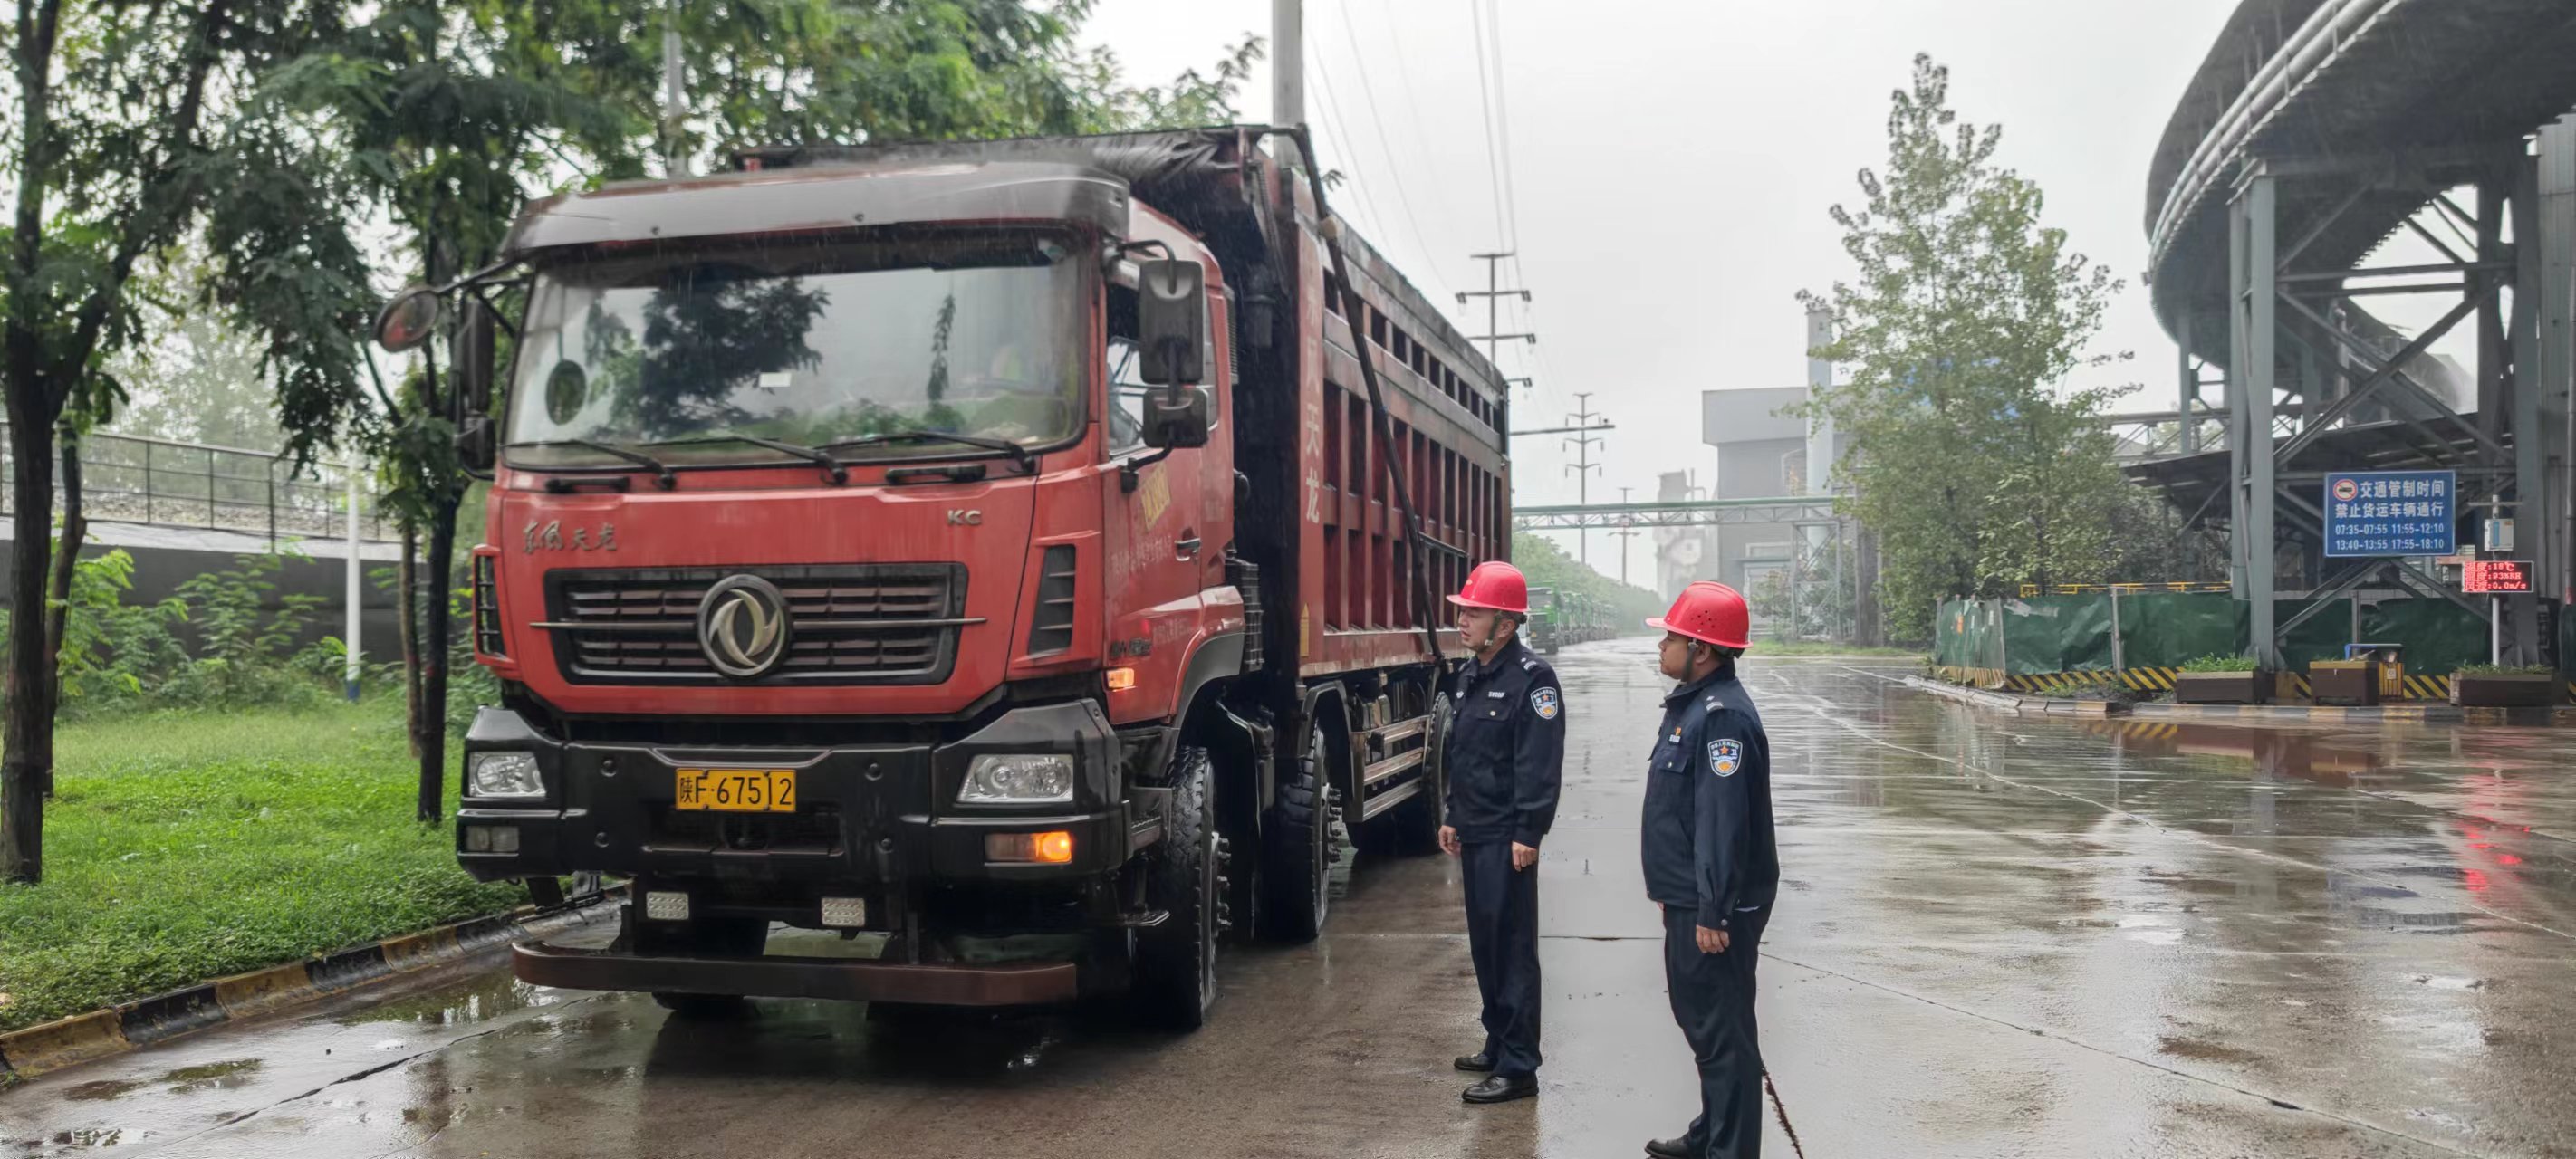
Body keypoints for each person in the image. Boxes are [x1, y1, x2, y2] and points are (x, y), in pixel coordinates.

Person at [1639, 581, 1777, 1159]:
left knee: (1724, 1035)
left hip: (1710, 906)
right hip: (1691, 898)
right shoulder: (1695, 707)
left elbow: (1722, 825)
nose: (1662, 646)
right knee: (1704, 1025)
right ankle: (1712, 1132)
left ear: (1701, 648)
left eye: (1671, 636)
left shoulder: (1721, 720)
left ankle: (1731, 1149)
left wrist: (1713, 909)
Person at [1437, 560, 1566, 1105]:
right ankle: (1497, 1039)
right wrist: (1451, 813)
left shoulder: (1534, 680)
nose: (1463, 620)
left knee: (1512, 948)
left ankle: (1519, 1066)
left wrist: (1529, 832)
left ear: (1506, 624)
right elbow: (1463, 754)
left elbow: (1539, 763)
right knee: (1486, 944)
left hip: (1508, 836)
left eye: (1474, 612)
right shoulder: (1473, 675)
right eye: (1463, 611)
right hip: (1475, 828)